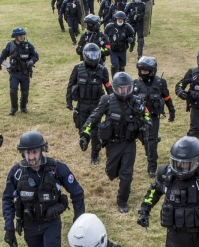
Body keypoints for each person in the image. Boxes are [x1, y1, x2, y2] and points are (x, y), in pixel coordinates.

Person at [2, 131, 85, 247]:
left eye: (35, 152)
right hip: (30, 225)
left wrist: (79, 220)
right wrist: (9, 227)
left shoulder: (57, 168)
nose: (31, 157)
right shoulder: (16, 173)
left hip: (51, 223)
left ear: (42, 150)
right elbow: (7, 199)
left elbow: (77, 192)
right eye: (28, 153)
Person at [82, 72, 150, 213]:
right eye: (121, 89)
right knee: (111, 172)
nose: (124, 91)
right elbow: (95, 116)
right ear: (115, 88)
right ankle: (121, 178)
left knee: (127, 173)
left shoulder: (136, 101)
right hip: (112, 143)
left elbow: (146, 112)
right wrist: (85, 134)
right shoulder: (107, 100)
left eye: (126, 88)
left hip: (129, 143)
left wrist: (146, 123)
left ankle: (122, 200)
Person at [67, 43, 114, 165]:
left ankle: (95, 155)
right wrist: (69, 101)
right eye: (90, 55)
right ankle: (84, 140)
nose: (93, 57)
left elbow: (108, 85)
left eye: (95, 55)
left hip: (96, 105)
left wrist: (114, 100)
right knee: (82, 128)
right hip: (82, 105)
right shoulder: (78, 69)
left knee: (95, 131)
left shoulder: (102, 70)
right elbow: (71, 85)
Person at [133, 56, 176, 177]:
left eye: (146, 71)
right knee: (143, 139)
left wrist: (171, 111)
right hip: (139, 117)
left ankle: (152, 167)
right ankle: (149, 147)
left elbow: (167, 97)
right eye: (142, 71)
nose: (143, 73)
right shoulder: (135, 84)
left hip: (153, 117)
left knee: (151, 142)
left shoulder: (160, 83)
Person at [0, 27, 39, 115]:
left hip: (25, 73)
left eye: (23, 35)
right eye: (19, 35)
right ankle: (14, 107)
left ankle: (23, 106)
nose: (22, 37)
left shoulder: (28, 45)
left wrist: (31, 61)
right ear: (15, 36)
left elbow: (35, 55)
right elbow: (3, 55)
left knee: (25, 91)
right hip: (14, 73)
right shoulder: (10, 45)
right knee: (13, 90)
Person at [103, 11, 135, 79]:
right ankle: (114, 78)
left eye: (121, 19)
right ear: (116, 19)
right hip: (113, 50)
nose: (120, 20)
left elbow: (132, 35)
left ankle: (121, 80)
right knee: (115, 65)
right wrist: (107, 45)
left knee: (122, 67)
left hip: (122, 49)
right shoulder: (110, 26)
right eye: (118, 19)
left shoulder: (127, 27)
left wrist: (131, 40)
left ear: (124, 19)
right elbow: (105, 36)